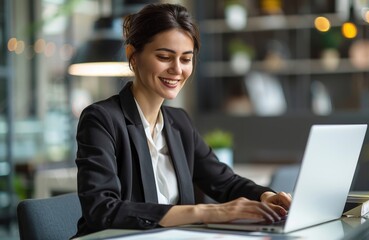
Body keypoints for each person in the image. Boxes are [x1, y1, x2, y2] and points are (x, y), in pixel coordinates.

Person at [72, 3, 291, 237]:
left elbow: (225, 182)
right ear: (132, 56)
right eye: (164, 57)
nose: (177, 69)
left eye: (186, 59)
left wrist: (265, 196)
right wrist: (206, 213)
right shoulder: (101, 119)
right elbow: (102, 210)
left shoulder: (179, 122)